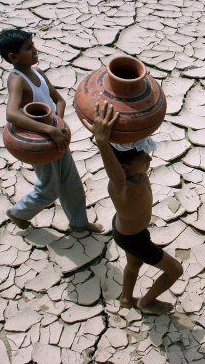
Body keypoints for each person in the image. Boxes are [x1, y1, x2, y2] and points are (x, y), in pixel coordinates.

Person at [0, 28, 103, 234]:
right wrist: (49, 130)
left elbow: (59, 100)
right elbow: (12, 114)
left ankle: (79, 224)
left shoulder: (37, 73)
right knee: (49, 189)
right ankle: (19, 213)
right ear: (13, 57)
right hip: (39, 144)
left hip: (56, 138)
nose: (35, 50)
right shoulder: (17, 79)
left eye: (33, 45)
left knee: (72, 184)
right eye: (28, 48)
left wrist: (58, 125)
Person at [82, 102, 183, 315]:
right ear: (125, 167)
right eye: (144, 156)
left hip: (127, 231)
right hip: (133, 238)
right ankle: (146, 302)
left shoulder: (137, 172)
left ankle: (126, 299)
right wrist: (101, 142)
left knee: (133, 265)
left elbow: (134, 137)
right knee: (175, 270)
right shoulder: (122, 186)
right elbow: (115, 174)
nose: (150, 157)